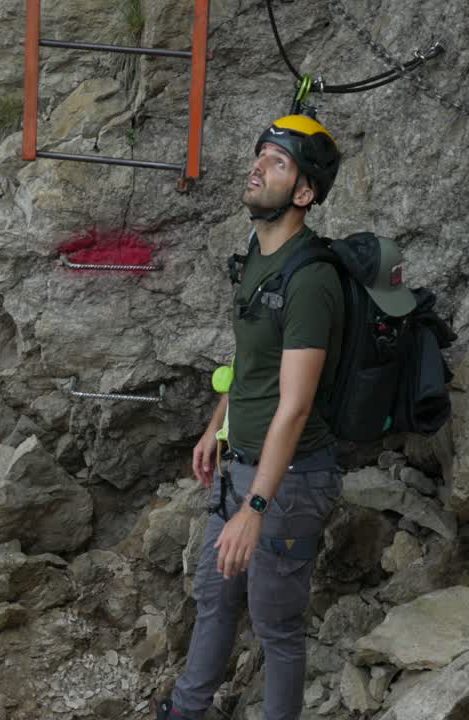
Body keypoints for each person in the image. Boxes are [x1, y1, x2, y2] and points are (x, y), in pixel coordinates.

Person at [157, 115, 346, 720]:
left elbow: (295, 405)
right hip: (242, 465)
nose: (258, 164)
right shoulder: (257, 256)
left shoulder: (311, 278)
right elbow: (250, 362)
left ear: (304, 194)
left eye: (279, 161)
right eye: (261, 153)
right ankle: (187, 711)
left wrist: (255, 511)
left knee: (276, 626)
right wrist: (218, 423)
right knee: (214, 596)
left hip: (289, 481)